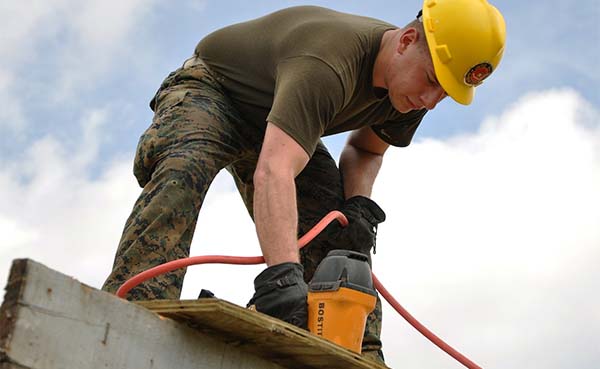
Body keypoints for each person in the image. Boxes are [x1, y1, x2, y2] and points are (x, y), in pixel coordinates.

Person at [103, 0, 505, 362]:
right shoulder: (329, 63)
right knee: (183, 172)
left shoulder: (412, 90)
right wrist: (281, 277)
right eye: (433, 81)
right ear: (407, 42)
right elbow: (274, 171)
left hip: (279, 122)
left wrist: (357, 204)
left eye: (447, 93)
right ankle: (132, 306)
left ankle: (360, 352)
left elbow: (366, 151)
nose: (431, 100)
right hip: (214, 91)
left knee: (340, 231)